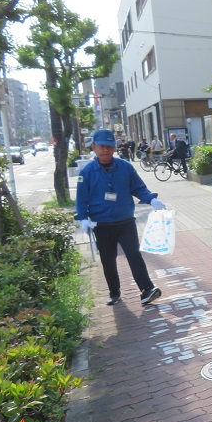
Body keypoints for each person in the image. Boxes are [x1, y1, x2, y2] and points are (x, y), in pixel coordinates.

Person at [76, 128, 167, 307]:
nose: (105, 151)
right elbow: (81, 199)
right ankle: (114, 292)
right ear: (93, 147)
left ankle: (147, 289)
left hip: (125, 221)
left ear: (115, 147)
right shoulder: (86, 173)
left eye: (109, 147)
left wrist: (151, 199)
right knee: (108, 259)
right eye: (101, 147)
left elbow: (138, 188)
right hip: (102, 224)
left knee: (134, 255)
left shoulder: (125, 167)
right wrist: (83, 218)